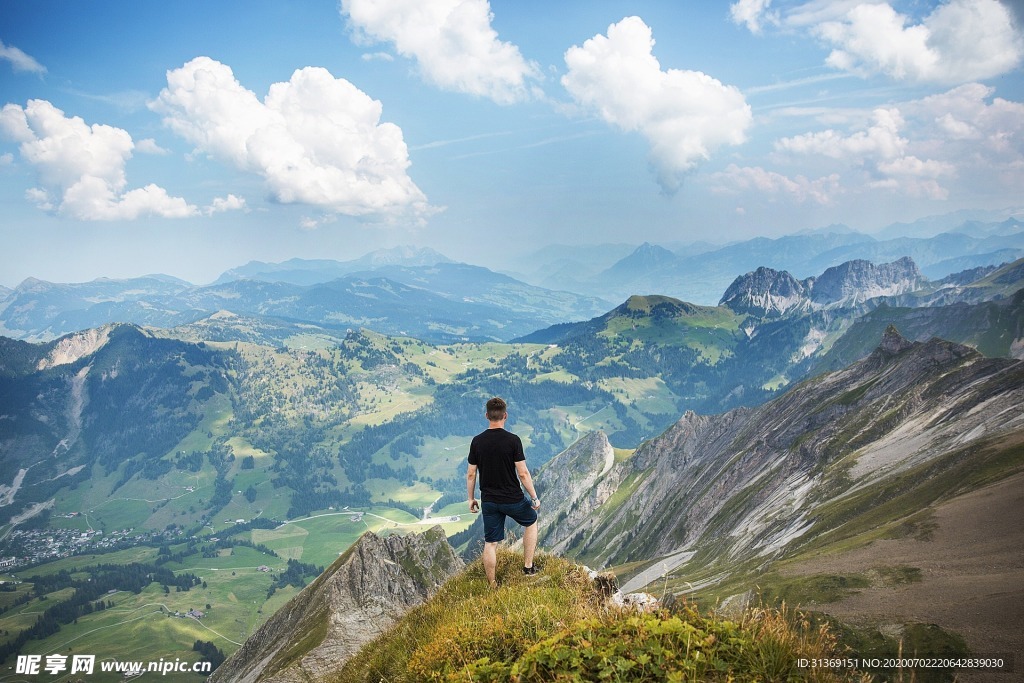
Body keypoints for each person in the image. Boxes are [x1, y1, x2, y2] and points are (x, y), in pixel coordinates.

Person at [466, 396, 540, 589]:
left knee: (491, 543)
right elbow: (523, 474)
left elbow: (471, 474)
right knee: (531, 522)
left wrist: (471, 498)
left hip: (489, 500)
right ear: (505, 415)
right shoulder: (513, 441)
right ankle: (528, 567)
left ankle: (492, 584)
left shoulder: (477, 442)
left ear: (487, 416)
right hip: (512, 498)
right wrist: (534, 497)